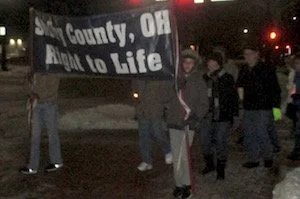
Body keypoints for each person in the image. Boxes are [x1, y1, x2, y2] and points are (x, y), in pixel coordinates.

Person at [166, 49, 208, 198]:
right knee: (176, 155)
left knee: (184, 156)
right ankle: (178, 184)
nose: (187, 65)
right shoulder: (176, 79)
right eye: (185, 62)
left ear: (195, 64)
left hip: (188, 122)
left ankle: (187, 184)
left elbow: (204, 103)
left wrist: (195, 117)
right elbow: (169, 99)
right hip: (174, 121)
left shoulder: (198, 80)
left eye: (190, 62)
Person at [237, 43, 281, 169]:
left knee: (261, 132)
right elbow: (240, 86)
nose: (248, 57)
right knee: (250, 133)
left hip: (263, 107)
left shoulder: (266, 69)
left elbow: (275, 89)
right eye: (245, 54)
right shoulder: (244, 69)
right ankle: (253, 158)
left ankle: (268, 157)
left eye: (250, 54)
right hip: (249, 106)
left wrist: (276, 109)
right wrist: (241, 101)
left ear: (257, 54)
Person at [202, 53, 239, 180]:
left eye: (214, 63)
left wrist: (234, 115)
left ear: (219, 64)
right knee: (206, 142)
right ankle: (209, 164)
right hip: (207, 115)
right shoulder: (204, 78)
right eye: (210, 63)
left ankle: (220, 169)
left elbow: (233, 97)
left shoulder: (227, 78)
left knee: (220, 142)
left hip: (222, 116)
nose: (212, 66)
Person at [20, 73, 63, 174]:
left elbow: (53, 88)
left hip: (49, 104)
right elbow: (26, 83)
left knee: (52, 134)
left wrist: (37, 95)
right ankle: (32, 166)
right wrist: (30, 93)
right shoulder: (34, 68)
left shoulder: (51, 69)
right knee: (35, 135)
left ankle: (56, 161)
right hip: (36, 104)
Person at [132, 79, 172, 172]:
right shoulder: (138, 76)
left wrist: (161, 102)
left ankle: (168, 150)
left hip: (155, 110)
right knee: (143, 137)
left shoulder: (159, 76)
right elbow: (134, 90)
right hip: (142, 110)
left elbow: (167, 93)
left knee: (157, 132)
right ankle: (146, 161)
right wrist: (136, 99)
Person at [287, 54, 300, 161]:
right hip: (296, 104)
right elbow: (293, 88)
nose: (297, 65)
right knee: (297, 128)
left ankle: (296, 150)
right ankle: (296, 149)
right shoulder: (295, 74)